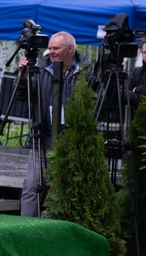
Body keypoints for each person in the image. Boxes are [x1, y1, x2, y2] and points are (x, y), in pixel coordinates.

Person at [16, 31, 92, 217]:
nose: (50, 51)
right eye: (49, 47)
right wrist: (23, 75)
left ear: (70, 49)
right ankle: (26, 230)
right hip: (43, 138)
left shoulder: (85, 71)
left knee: (67, 188)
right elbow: (22, 97)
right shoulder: (41, 68)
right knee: (32, 187)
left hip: (71, 140)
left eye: (55, 48)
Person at [127, 34, 146, 107]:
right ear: (141, 53)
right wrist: (141, 100)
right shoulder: (136, 73)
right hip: (138, 116)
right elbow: (124, 93)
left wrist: (138, 89)